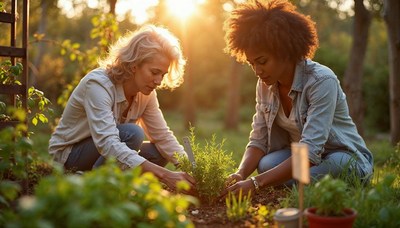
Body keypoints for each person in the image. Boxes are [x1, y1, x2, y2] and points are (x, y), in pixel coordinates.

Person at [221, 0, 373, 196]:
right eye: (252, 63)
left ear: (284, 51)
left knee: (312, 175)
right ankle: (297, 181)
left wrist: (255, 184)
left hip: (341, 156)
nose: (257, 71)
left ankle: (301, 182)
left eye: (262, 61)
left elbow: (310, 151)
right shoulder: (265, 84)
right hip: (302, 158)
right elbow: (258, 140)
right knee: (266, 164)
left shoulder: (321, 81)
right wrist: (240, 174)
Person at [49, 25, 195, 194]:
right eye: (154, 72)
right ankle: (94, 187)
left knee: (160, 152)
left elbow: (162, 136)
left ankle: (115, 184)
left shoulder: (146, 93)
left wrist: (192, 169)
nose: (158, 81)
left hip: (104, 153)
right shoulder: (98, 84)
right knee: (133, 134)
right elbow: (107, 143)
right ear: (134, 65)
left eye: (162, 74)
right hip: (71, 155)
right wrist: (165, 175)